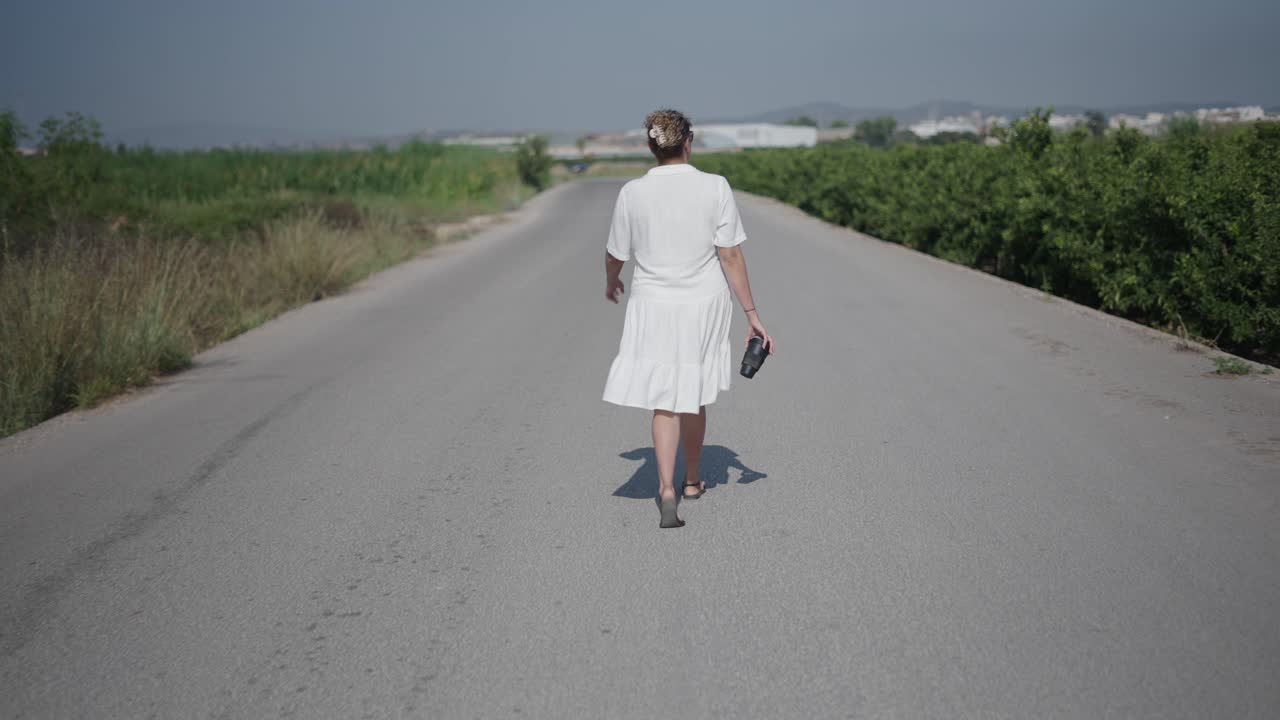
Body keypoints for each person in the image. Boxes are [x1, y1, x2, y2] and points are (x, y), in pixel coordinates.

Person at [601, 108, 776, 529]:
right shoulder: (714, 187)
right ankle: (693, 480)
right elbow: (730, 254)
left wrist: (612, 282)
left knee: (665, 397)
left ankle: (665, 489)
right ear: (688, 142)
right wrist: (752, 314)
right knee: (693, 389)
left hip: (652, 303)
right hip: (703, 303)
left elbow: (615, 254)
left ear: (651, 146)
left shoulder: (632, 192)